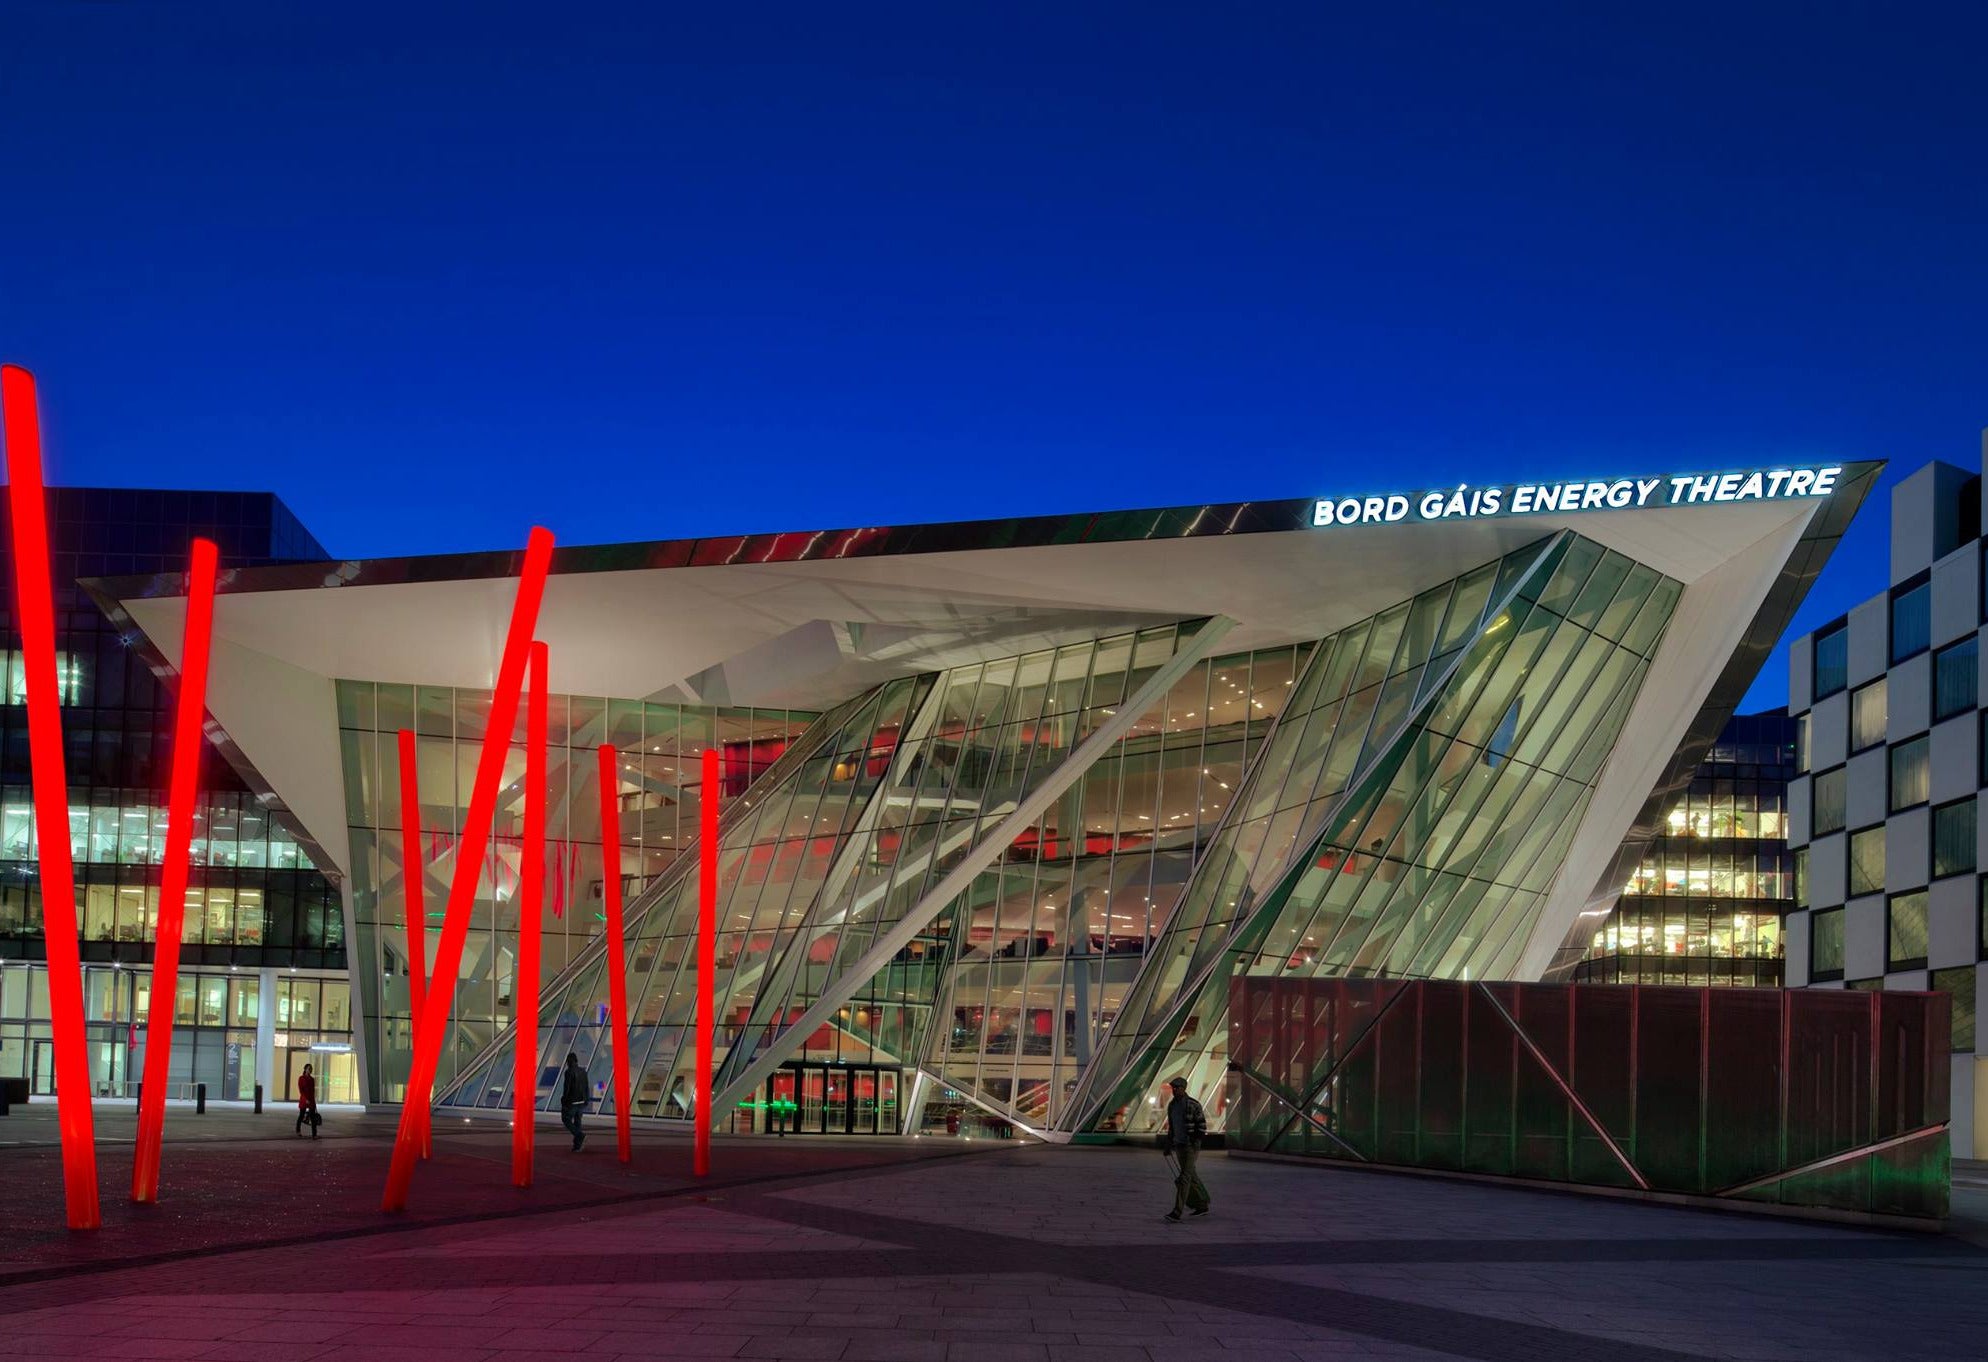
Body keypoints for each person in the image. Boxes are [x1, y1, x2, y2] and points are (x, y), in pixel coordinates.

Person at [1160, 1075, 1209, 1222]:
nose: (1174, 1090)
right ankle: (1202, 1204)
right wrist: (1169, 1145)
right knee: (1191, 1175)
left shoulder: (1192, 1104)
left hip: (1190, 1146)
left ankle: (1177, 1211)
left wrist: (1195, 1142)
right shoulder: (1172, 1105)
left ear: (1183, 1088)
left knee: (1184, 1178)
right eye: (1173, 1088)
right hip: (1179, 1145)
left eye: (1176, 1088)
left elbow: (1201, 1125)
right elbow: (1172, 1128)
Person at [560, 1051, 590, 1151]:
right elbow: (586, 1087)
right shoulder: (583, 1071)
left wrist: (564, 1100)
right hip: (581, 1101)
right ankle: (577, 1145)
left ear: (569, 1061)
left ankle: (580, 1136)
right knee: (578, 1123)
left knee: (566, 1119)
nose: (566, 1064)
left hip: (572, 1102)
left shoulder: (569, 1072)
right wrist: (586, 1099)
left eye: (567, 1061)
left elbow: (567, 1088)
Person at [295, 1063, 320, 1139]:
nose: (310, 1070)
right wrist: (305, 1099)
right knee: (301, 1115)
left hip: (311, 1100)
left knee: (313, 1118)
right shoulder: (301, 1078)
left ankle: (314, 1134)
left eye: (311, 1069)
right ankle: (298, 1130)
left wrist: (314, 1103)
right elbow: (301, 1090)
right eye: (309, 1069)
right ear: (305, 1069)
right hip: (304, 1100)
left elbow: (312, 1091)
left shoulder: (312, 1079)